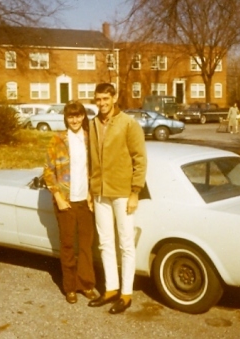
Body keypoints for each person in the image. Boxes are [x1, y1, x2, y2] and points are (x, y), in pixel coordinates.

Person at [87, 83, 147, 314]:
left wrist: (135, 192)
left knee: (125, 243)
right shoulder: (93, 124)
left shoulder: (129, 124)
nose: (101, 103)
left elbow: (139, 160)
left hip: (122, 193)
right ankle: (111, 289)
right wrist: (92, 191)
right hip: (100, 192)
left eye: (105, 98)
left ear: (114, 97)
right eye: (97, 99)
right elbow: (91, 160)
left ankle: (126, 294)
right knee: (104, 242)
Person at [43, 100, 97, 304]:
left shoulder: (89, 139)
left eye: (78, 115)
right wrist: (57, 196)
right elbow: (48, 170)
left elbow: (95, 168)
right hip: (65, 201)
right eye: (71, 116)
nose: (75, 120)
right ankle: (70, 287)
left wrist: (92, 194)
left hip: (85, 201)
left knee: (85, 245)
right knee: (67, 246)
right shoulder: (57, 140)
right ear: (66, 118)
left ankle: (86, 284)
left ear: (83, 117)